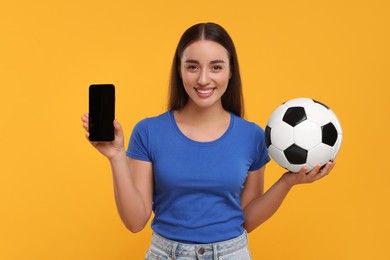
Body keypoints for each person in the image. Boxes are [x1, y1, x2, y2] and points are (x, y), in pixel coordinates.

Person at [81, 22, 334, 260]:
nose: (203, 79)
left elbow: (246, 219)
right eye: (192, 66)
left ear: (230, 70)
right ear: (179, 70)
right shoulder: (149, 131)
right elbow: (135, 222)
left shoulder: (252, 136)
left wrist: (287, 181)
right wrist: (116, 156)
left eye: (216, 67)